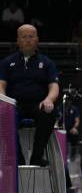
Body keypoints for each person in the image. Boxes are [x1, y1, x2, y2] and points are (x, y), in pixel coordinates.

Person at [0, 24, 59, 166]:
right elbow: (1, 85)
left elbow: (54, 86)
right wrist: (4, 102)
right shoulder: (7, 62)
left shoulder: (47, 63)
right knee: (2, 113)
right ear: (18, 40)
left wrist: (48, 99)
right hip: (14, 105)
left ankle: (37, 156)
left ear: (37, 39)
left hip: (38, 104)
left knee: (49, 112)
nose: (27, 40)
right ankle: (16, 156)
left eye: (31, 36)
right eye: (24, 37)